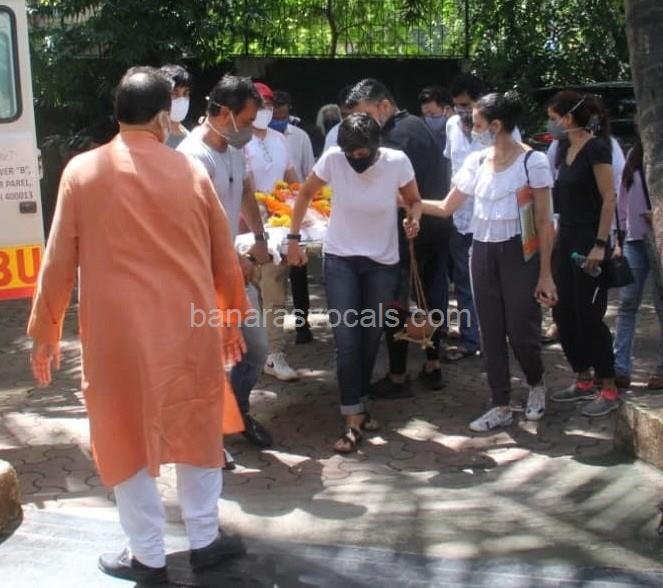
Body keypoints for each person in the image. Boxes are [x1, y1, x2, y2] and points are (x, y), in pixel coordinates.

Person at [27, 67, 249, 584]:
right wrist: (232, 318)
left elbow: (58, 260)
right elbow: (223, 255)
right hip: (188, 328)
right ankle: (204, 539)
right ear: (161, 118)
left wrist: (46, 330)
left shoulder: (83, 172)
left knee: (122, 432)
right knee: (197, 425)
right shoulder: (189, 171)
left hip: (117, 335)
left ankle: (148, 555)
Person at [420, 92, 556, 431]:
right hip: (481, 251)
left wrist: (545, 274)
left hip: (519, 252)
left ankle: (536, 383)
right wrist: (407, 200)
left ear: (496, 125)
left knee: (522, 329)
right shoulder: (476, 161)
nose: (472, 129)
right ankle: (500, 403)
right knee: (489, 331)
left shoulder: (533, 162)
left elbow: (544, 222)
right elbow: (446, 207)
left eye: (477, 124)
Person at [287, 113, 421, 452]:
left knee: (370, 337)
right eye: (351, 154)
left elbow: (414, 200)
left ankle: (359, 403)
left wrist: (414, 218)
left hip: (382, 263)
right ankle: (351, 419)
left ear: (377, 147)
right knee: (346, 340)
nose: (356, 159)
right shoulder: (333, 158)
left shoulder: (397, 162)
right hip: (340, 260)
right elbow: (304, 194)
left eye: (362, 154)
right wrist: (293, 239)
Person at [177, 75, 274, 449]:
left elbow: (245, 190)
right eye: (246, 120)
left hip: (230, 270)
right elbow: (197, 224)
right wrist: (235, 261)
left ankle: (237, 411)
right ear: (222, 112)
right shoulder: (191, 157)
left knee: (255, 348)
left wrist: (260, 238)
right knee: (205, 358)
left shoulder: (234, 147)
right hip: (198, 274)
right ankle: (205, 436)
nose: (250, 129)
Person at [347, 78, 452, 394]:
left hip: (408, 233)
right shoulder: (417, 126)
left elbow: (388, 190)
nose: (365, 124)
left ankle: (397, 376)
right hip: (433, 229)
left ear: (384, 105)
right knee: (429, 299)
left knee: (396, 303)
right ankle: (432, 365)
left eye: (367, 115)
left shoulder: (394, 139)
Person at [547, 91, 619, 416]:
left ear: (569, 117)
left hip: (590, 240)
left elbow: (608, 198)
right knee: (563, 314)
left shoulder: (596, 148)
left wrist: (600, 244)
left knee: (589, 316)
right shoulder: (563, 148)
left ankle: (609, 387)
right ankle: (582, 377)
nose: (551, 125)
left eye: (554, 118)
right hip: (566, 240)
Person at [441, 74, 521, 361]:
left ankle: (498, 338)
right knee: (465, 283)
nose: (461, 111)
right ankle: (472, 338)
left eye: (466, 105)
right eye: (457, 105)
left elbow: (515, 171)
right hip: (461, 218)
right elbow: (452, 166)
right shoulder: (451, 125)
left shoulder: (506, 130)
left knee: (496, 285)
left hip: (495, 221)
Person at [244, 81, 300, 381]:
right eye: (260, 104)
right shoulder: (239, 140)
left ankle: (274, 353)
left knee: (275, 289)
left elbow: (292, 179)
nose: (265, 109)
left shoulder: (279, 139)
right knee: (251, 294)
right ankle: (253, 354)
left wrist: (298, 211)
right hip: (246, 229)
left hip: (277, 227)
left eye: (269, 104)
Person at [612, 134, 663, 390]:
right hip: (634, 240)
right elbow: (621, 201)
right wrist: (619, 238)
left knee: (660, 306)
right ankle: (620, 368)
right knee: (627, 303)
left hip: (659, 242)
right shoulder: (634, 156)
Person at [270, 89, 316, 345]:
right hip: (268, 209)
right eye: (273, 107)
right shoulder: (258, 137)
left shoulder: (300, 137)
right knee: (271, 273)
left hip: (294, 208)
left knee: (298, 269)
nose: (278, 111)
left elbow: (309, 172)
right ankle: (270, 329)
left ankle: (302, 323)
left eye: (282, 106)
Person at [159, 64, 192, 149]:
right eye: (174, 93)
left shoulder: (190, 138)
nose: (181, 98)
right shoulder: (155, 139)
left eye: (185, 93)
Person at [323, 85, 353, 153]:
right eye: (344, 115)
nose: (348, 118)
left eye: (352, 114)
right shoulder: (334, 133)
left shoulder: (374, 126)